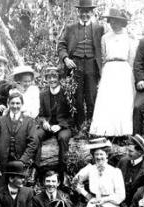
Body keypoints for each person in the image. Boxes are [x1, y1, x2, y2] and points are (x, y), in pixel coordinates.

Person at [57, 0, 104, 128]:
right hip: (75, 65)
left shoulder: (99, 29)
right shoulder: (70, 28)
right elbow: (61, 45)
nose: (85, 14)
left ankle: (92, 127)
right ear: (78, 12)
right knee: (77, 98)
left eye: (87, 12)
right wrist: (66, 59)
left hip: (91, 66)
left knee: (91, 97)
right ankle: (80, 127)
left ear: (92, 12)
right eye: (82, 11)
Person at [90, 8, 135, 137]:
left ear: (122, 22)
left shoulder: (129, 37)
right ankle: (105, 132)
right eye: (111, 22)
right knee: (108, 99)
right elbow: (103, 56)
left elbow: (131, 58)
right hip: (109, 69)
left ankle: (123, 133)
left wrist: (130, 74)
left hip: (123, 69)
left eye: (115, 21)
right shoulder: (105, 37)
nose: (113, 24)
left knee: (122, 100)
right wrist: (104, 71)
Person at [0, 91, 37, 186]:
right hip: (2, 164)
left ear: (22, 104)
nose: (15, 106)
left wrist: (22, 161)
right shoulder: (1, 120)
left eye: (18, 103)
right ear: (8, 104)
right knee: (1, 190)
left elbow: (33, 143)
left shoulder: (29, 121)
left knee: (18, 190)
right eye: (13, 103)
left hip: (19, 163)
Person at [36, 67, 73, 179]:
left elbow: (72, 116)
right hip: (48, 126)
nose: (52, 80)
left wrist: (60, 125)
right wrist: (44, 122)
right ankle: (35, 170)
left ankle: (63, 174)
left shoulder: (66, 92)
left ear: (59, 78)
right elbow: (41, 114)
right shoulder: (43, 94)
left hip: (63, 126)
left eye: (54, 77)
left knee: (62, 138)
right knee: (36, 136)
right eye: (49, 77)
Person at [117, 134, 144, 205]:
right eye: (127, 150)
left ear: (140, 153)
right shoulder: (122, 161)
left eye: (130, 151)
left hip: (136, 206)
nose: (127, 153)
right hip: (119, 203)